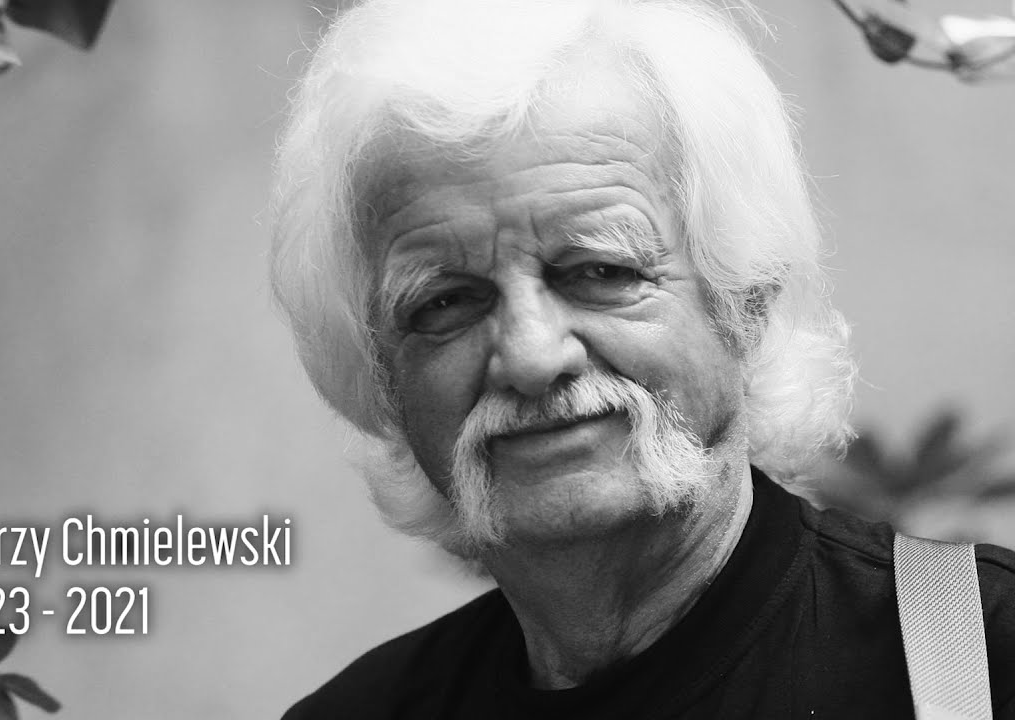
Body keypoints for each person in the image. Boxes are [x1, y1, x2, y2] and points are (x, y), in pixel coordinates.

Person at [268, 0, 1015, 717]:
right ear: (382, 379)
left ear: (744, 302)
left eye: (599, 271)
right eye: (447, 302)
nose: (531, 356)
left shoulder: (980, 660)